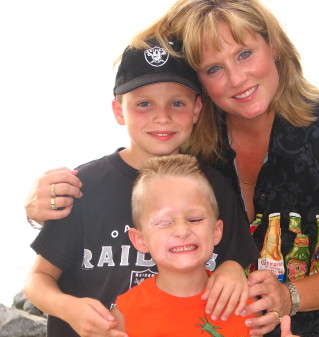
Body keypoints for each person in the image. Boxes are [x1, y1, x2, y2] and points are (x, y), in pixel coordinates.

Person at [25, 0, 319, 336]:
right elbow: (131, 171)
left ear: (275, 48)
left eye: (245, 54)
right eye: (214, 68)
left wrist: (282, 293)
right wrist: (43, 201)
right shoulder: (193, 133)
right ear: (201, 86)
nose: (236, 79)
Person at [23, 35, 260, 337]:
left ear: (197, 109)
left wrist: (231, 270)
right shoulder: (84, 186)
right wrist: (69, 308)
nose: (162, 117)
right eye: (144, 104)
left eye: (177, 103)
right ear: (119, 110)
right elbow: (37, 279)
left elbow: (236, 261)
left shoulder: (213, 186)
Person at [110, 154, 253, 336]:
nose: (182, 230)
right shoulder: (123, 316)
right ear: (140, 240)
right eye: (164, 222)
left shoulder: (244, 303)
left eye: (195, 219)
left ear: (216, 231)